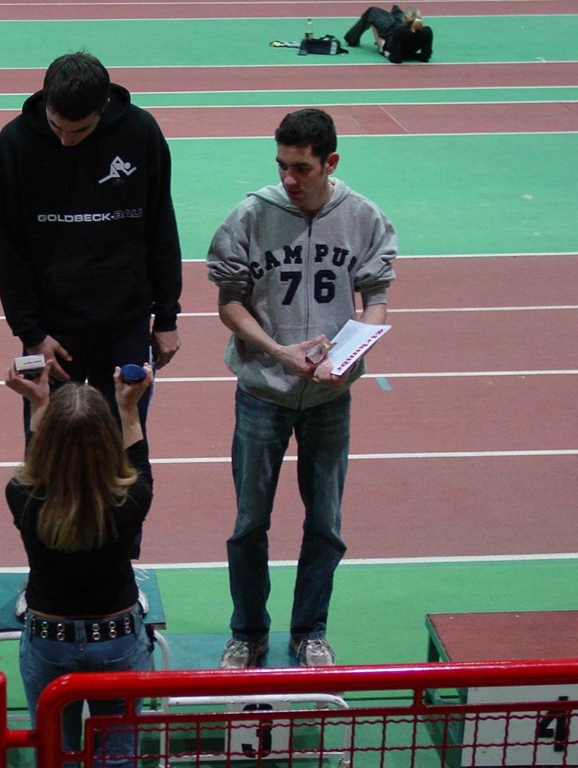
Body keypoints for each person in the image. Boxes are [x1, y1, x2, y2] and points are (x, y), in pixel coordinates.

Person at [206, 108, 396, 669]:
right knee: (249, 523)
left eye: (302, 168)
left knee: (326, 524)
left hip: (330, 399)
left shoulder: (362, 217)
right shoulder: (251, 216)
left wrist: (352, 352)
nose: (289, 178)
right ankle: (247, 633)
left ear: (330, 162)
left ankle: (310, 631)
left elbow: (376, 297)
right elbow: (229, 302)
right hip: (263, 393)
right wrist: (278, 350)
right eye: (282, 166)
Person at [0, 50, 183, 439]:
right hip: (53, 333)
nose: (65, 140)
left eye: (79, 131)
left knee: (124, 446)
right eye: (56, 126)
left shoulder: (140, 132)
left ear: (104, 106)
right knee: (49, 451)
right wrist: (30, 333)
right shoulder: (16, 143)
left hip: (125, 325)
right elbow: (9, 247)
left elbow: (161, 226)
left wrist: (166, 318)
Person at [4, 359, 155, 765]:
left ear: (48, 442)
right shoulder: (133, 497)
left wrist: (39, 405)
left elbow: (34, 472)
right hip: (118, 638)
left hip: (48, 639)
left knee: (55, 754)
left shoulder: (22, 496)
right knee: (117, 758)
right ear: (107, 440)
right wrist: (128, 409)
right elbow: (139, 466)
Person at [344, 5, 433, 63]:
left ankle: (351, 39)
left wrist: (386, 54)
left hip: (387, 43)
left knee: (372, 12)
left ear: (405, 19)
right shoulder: (427, 31)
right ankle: (392, 15)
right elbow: (425, 57)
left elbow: (396, 59)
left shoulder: (399, 32)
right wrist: (412, 56)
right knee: (397, 10)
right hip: (398, 36)